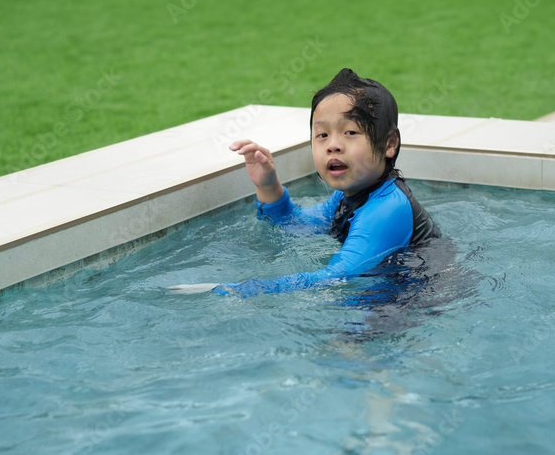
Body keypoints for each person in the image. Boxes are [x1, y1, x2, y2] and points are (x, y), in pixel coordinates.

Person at [169, 68, 442, 297]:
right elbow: (295, 227)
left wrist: (241, 289)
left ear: (389, 144)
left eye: (350, 132)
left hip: (414, 301)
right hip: (382, 289)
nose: (333, 145)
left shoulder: (388, 208)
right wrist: (267, 186)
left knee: (346, 340)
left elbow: (336, 277)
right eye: (322, 134)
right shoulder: (348, 196)